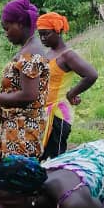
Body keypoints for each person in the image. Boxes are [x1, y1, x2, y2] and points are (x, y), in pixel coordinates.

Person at [0, 0, 49, 162]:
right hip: (17, 130)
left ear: (20, 23)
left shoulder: (30, 53)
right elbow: (19, 91)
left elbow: (28, 95)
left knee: (15, 183)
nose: (6, 33)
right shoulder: (28, 49)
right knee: (12, 183)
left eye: (7, 28)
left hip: (23, 133)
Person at [36, 12, 98, 160]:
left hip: (58, 114)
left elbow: (91, 75)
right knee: (41, 157)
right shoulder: (50, 53)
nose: (43, 38)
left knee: (54, 159)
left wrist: (71, 94)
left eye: (46, 34)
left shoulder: (67, 55)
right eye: (40, 35)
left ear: (58, 31)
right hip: (44, 112)